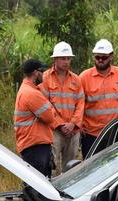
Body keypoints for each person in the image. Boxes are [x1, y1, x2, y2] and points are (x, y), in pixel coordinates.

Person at [80, 39, 118, 157]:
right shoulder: (84, 77)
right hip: (92, 134)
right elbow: (78, 105)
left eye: (103, 57)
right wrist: (79, 125)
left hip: (117, 132)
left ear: (111, 56)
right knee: (91, 169)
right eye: (97, 57)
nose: (100, 60)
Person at [14, 59, 65, 178]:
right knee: (38, 186)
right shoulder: (31, 93)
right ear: (36, 73)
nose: (43, 75)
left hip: (33, 145)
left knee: (36, 184)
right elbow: (50, 117)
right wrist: (51, 109)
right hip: (35, 147)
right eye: (41, 71)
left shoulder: (27, 90)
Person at [40, 41, 84, 175]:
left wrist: (72, 124)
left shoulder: (76, 80)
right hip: (54, 130)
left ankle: (68, 194)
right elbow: (45, 104)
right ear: (55, 59)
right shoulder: (45, 78)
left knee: (71, 168)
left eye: (68, 59)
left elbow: (80, 104)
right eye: (63, 58)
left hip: (73, 131)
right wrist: (60, 125)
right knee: (51, 166)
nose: (66, 62)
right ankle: (50, 194)